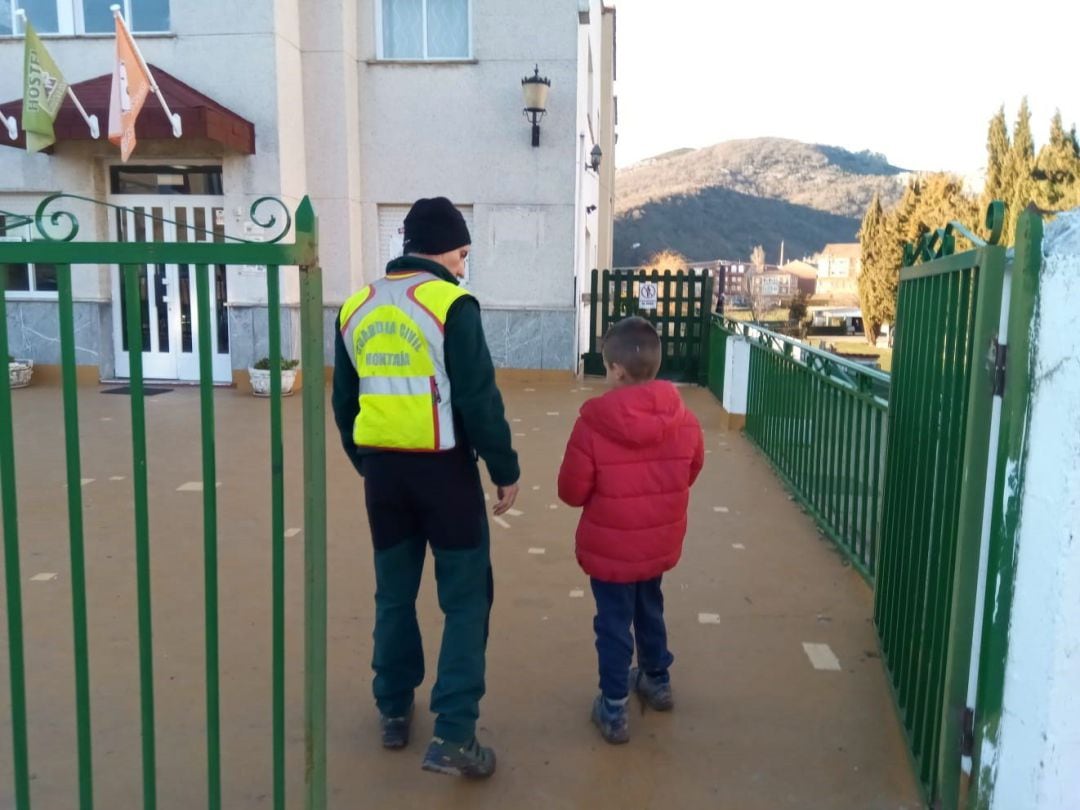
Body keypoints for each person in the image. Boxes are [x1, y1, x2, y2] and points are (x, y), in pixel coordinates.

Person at [332, 196, 519, 778]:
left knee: (393, 593)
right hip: (445, 476)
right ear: (445, 249)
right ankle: (455, 733)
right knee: (465, 598)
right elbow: (478, 398)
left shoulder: (355, 305)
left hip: (383, 477)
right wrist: (504, 467)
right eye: (463, 253)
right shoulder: (451, 304)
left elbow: (344, 403)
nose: (464, 266)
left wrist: (368, 464)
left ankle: (392, 710)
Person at [557, 316, 704, 744]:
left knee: (614, 622)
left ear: (618, 370)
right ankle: (657, 680)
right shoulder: (686, 420)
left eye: (606, 367)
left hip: (610, 548)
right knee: (650, 607)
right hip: (658, 539)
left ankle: (614, 706)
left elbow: (571, 491)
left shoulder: (592, 425)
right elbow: (691, 469)